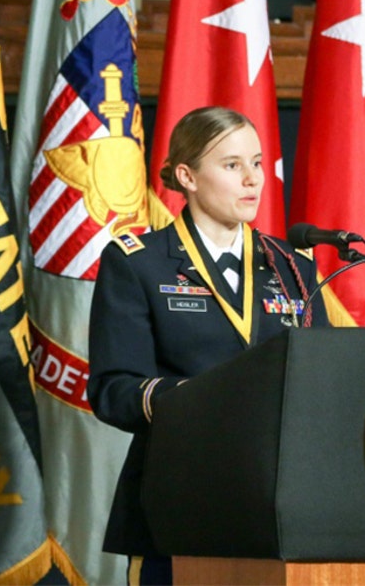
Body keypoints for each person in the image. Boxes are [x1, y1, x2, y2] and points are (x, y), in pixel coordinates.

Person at [87, 106, 328, 585]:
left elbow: (323, 381)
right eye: (232, 165)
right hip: (179, 502)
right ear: (187, 176)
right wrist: (206, 400)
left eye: (257, 163)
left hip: (280, 508)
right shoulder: (140, 264)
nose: (252, 180)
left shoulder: (293, 269)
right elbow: (113, 390)